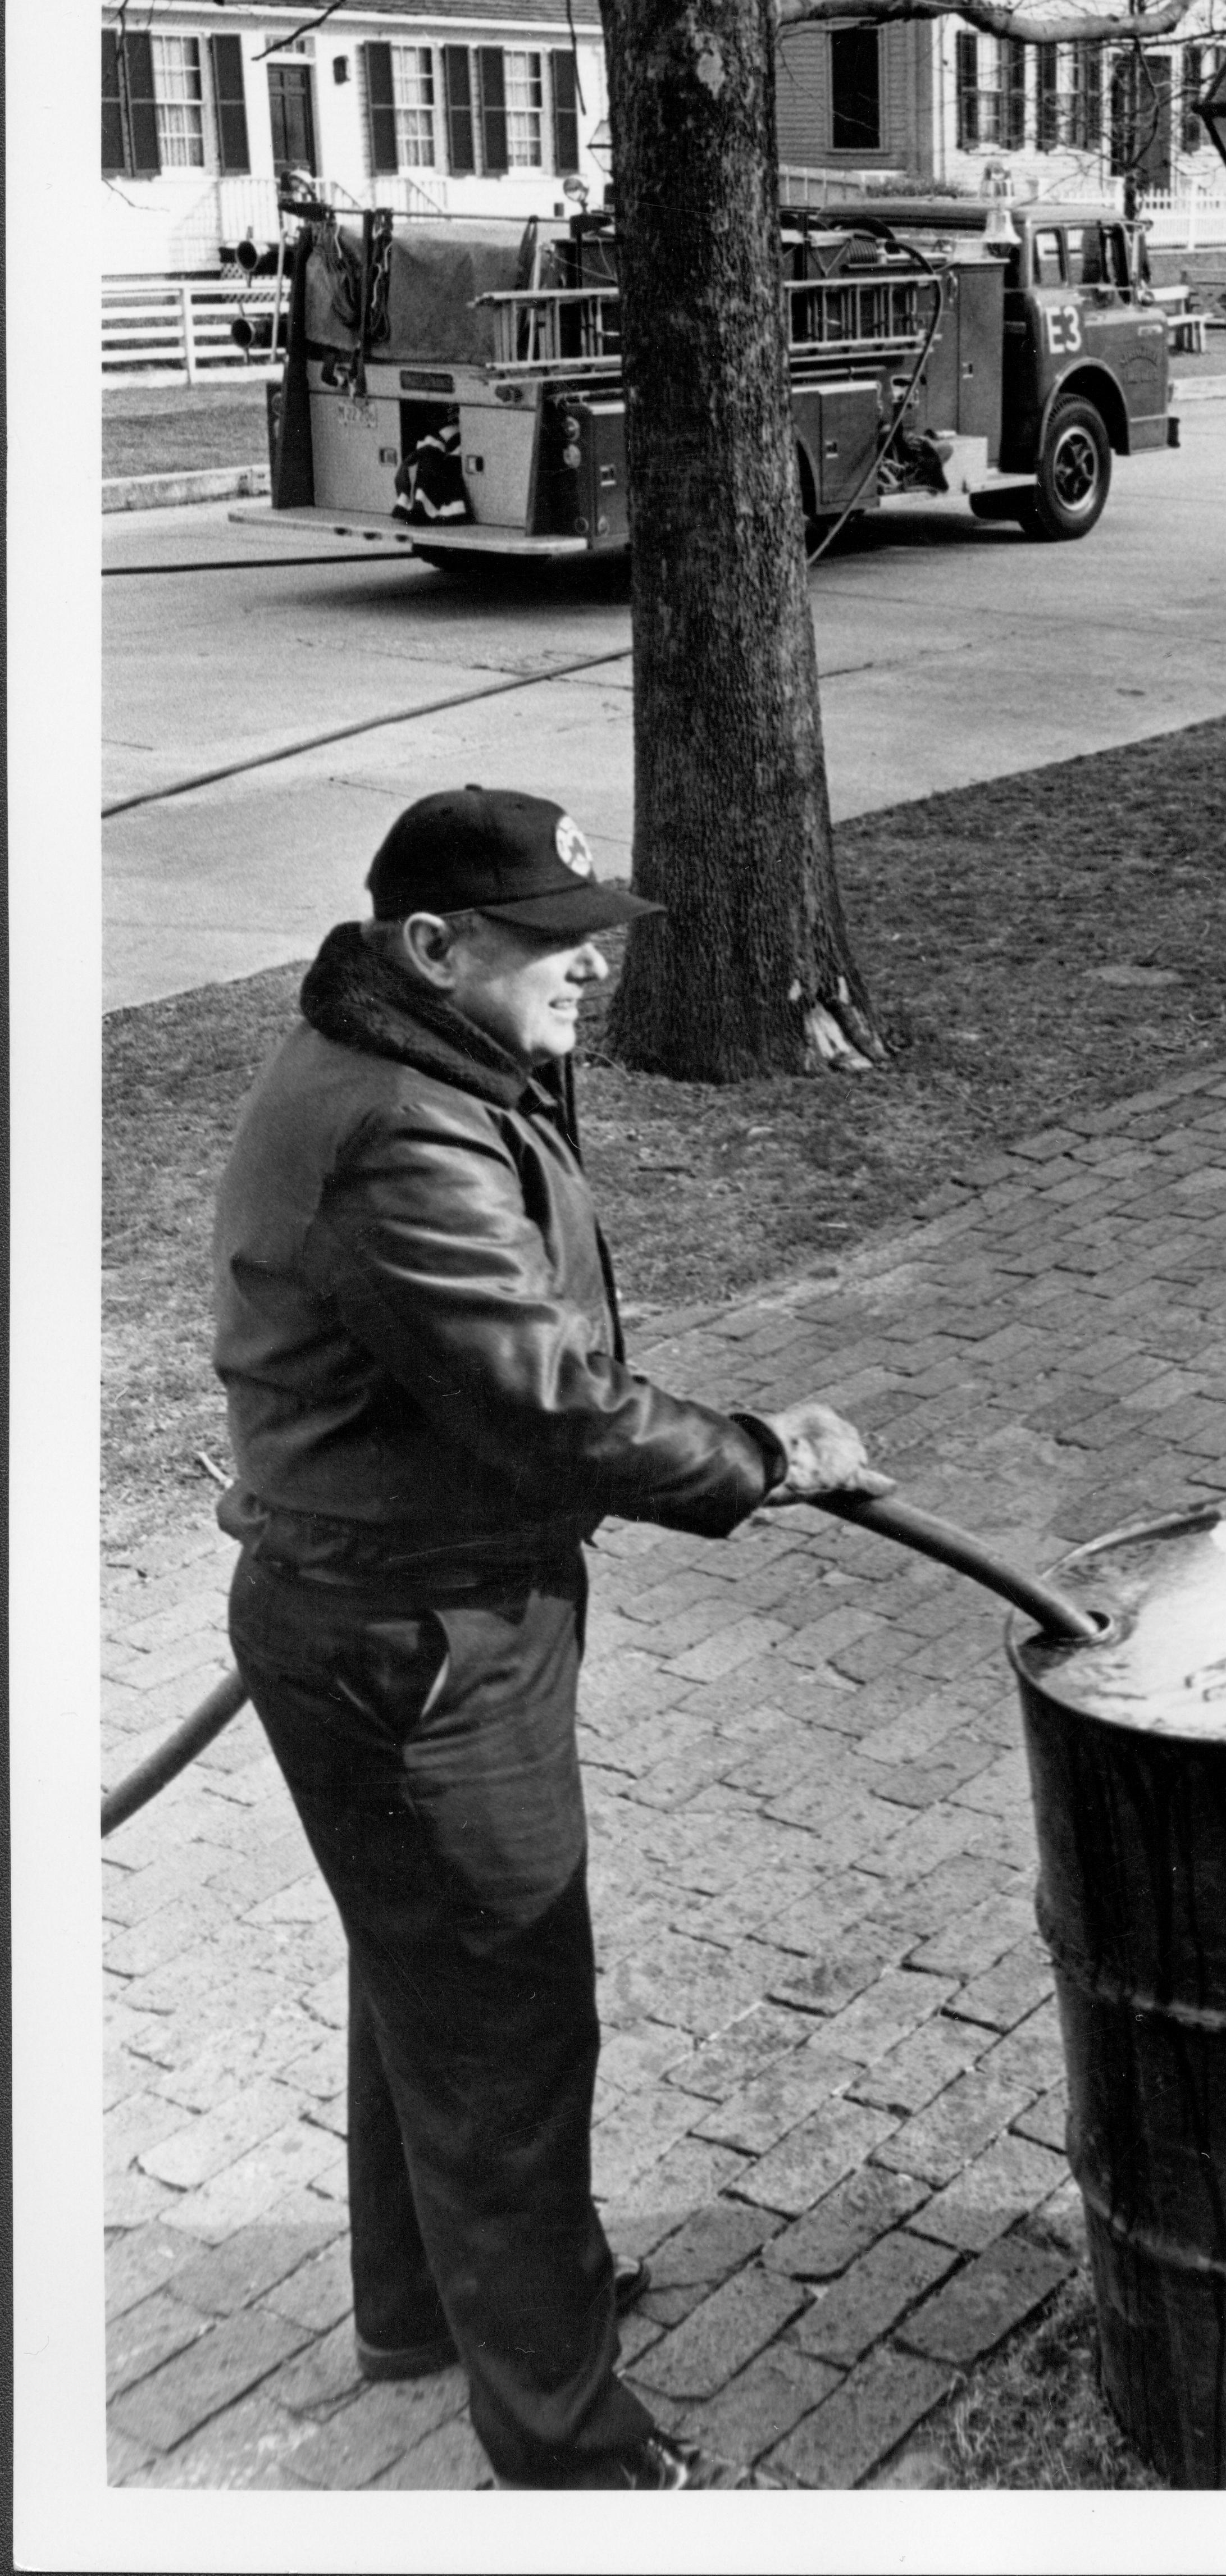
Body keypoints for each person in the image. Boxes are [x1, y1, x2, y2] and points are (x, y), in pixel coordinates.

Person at [213, 787, 882, 2491]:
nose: (588, 975)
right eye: (551, 946)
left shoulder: (423, 1064)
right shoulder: (404, 1128)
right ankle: (571, 2451)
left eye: (593, 940)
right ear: (433, 950)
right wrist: (762, 1454)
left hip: (392, 1607)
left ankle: (432, 2304)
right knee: (506, 2020)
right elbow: (554, 1408)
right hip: (420, 1638)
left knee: (428, 1982)